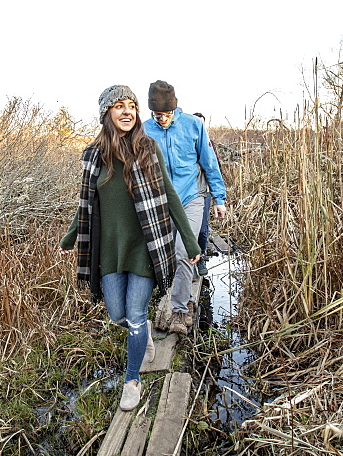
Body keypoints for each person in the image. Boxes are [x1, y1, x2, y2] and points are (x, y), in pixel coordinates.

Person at [60, 85, 200, 411]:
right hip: (110, 250)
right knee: (118, 314)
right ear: (106, 114)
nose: (127, 112)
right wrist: (71, 237)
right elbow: (86, 205)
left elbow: (170, 195)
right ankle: (144, 333)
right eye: (119, 106)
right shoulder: (94, 156)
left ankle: (132, 379)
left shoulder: (148, 148)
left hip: (144, 248)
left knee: (135, 315)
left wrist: (190, 241)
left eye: (132, 106)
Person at [143, 81, 227, 335]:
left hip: (191, 198)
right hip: (160, 202)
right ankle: (167, 299)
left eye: (167, 114)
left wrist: (219, 198)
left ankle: (180, 311)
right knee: (159, 256)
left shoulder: (193, 125)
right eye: (158, 115)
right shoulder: (144, 130)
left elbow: (209, 163)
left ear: (175, 108)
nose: (163, 119)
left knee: (183, 251)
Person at [191, 112, 219, 277]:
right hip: (186, 192)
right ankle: (188, 265)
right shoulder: (183, 142)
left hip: (204, 192)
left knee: (202, 229)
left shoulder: (209, 145)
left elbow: (215, 170)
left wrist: (217, 197)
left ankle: (200, 256)